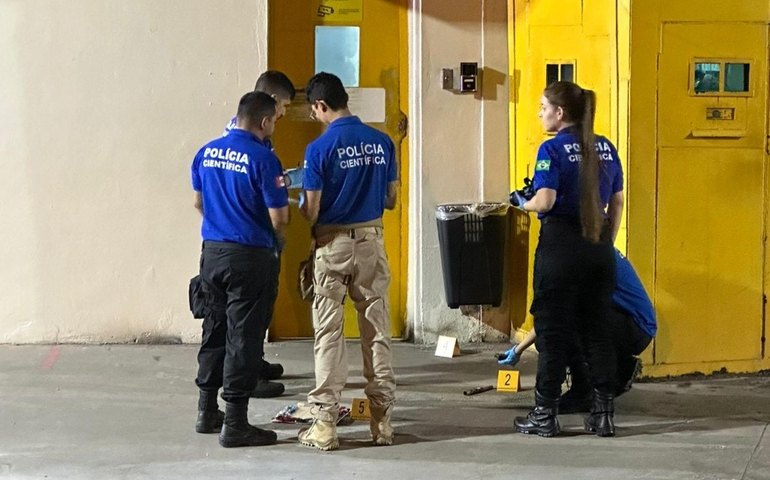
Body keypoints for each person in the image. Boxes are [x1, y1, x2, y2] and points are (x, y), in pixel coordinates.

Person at [511, 81, 624, 438]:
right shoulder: (604, 146)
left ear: (560, 113)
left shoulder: (552, 149)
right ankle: (603, 414)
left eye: (543, 106)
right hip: (599, 248)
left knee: (553, 330)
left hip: (561, 247)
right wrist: (608, 238)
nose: (540, 112)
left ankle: (545, 414)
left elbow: (544, 200)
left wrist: (519, 202)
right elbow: (617, 200)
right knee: (598, 330)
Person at [297, 72, 398, 451]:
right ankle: (382, 422)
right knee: (376, 329)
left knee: (329, 332)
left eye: (314, 109)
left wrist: (298, 200)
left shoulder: (319, 150)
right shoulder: (382, 142)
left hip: (333, 244)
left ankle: (324, 425)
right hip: (372, 242)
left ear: (321, 106)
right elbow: (390, 199)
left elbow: (312, 210)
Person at [191, 91, 289, 448]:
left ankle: (206, 411)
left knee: (214, 329)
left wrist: (221, 225)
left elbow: (198, 202)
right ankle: (235, 423)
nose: (274, 127)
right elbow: (280, 218)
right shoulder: (264, 159)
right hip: (249, 256)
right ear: (264, 122)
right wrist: (275, 245)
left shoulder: (207, 151)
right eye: (275, 121)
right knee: (243, 337)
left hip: (212, 254)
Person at [498, 248, 657, 412]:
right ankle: (617, 371)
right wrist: (518, 350)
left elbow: (552, 317)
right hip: (635, 326)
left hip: (633, 327)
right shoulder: (592, 245)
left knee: (559, 333)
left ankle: (582, 394)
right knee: (569, 322)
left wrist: (519, 350)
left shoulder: (578, 258)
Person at [223, 70, 296, 398]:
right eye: (284, 107)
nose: (284, 114)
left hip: (247, 235)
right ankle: (245, 374)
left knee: (260, 305)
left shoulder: (252, 133)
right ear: (272, 103)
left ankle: (254, 360)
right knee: (248, 311)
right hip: (250, 238)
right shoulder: (247, 139)